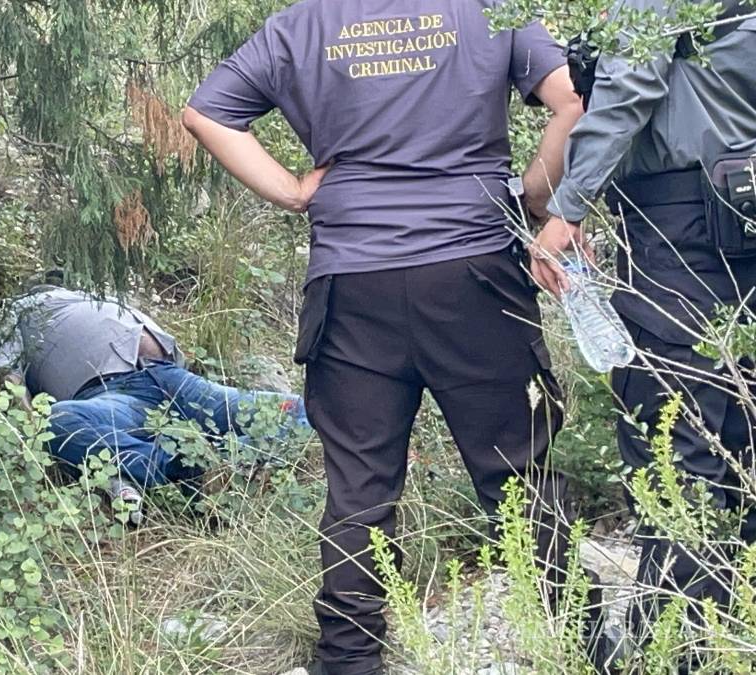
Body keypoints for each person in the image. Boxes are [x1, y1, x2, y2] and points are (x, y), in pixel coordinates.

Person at [183, 2, 589, 673]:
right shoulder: (489, 10)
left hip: (352, 286)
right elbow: (572, 100)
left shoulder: (301, 25)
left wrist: (290, 190)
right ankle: (577, 635)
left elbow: (206, 112)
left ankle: (347, 660)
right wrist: (536, 199)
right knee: (519, 471)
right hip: (474, 274)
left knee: (359, 489)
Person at [530, 0, 756, 652]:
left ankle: (685, 650)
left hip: (682, 227)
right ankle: (722, 634)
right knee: (739, 435)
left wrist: (568, 209)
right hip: (734, 207)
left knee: (674, 442)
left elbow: (633, 83)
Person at [0, 285, 311, 489]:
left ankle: (237, 461)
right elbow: (5, 379)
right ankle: (187, 470)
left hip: (173, 380)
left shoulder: (94, 293)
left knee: (306, 407)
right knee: (55, 422)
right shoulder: (13, 310)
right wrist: (30, 429)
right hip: (112, 396)